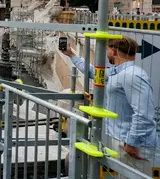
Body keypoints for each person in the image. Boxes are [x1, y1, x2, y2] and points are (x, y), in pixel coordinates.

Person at [64, 37, 158, 177]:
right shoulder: (118, 73)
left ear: (114, 51)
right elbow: (93, 72)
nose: (107, 53)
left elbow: (143, 114)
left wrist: (131, 143)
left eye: (107, 50)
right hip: (126, 142)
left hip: (133, 145)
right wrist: (72, 55)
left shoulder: (133, 76)